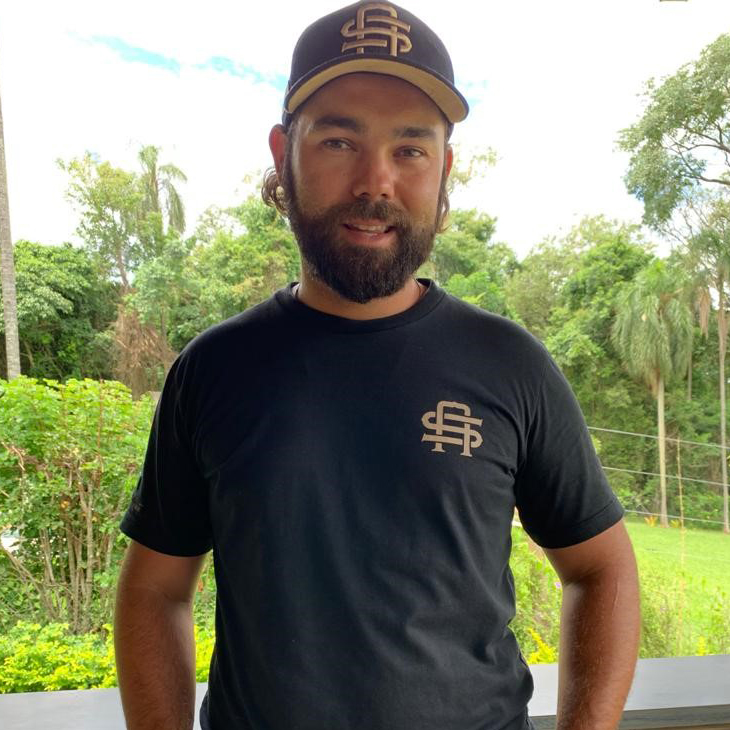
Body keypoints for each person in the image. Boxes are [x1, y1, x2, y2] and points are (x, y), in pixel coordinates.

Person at [114, 3, 641, 729]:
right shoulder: (214, 369)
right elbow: (155, 590)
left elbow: (600, 567)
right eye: (338, 140)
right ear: (283, 154)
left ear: (444, 167)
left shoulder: (510, 365)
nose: (376, 181)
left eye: (410, 148)